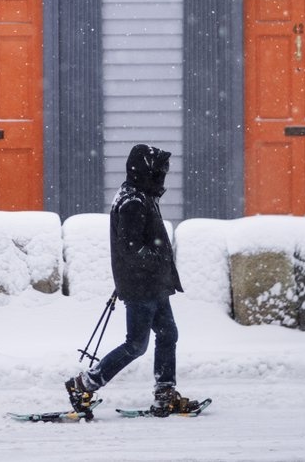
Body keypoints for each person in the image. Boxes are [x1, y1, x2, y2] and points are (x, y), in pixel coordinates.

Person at [65, 144, 197, 417]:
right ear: (145, 171)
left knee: (168, 334)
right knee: (136, 345)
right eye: (158, 171)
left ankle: (165, 393)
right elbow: (131, 248)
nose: (162, 177)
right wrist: (158, 261)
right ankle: (84, 384)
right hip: (141, 285)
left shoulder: (142, 196)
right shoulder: (132, 202)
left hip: (153, 284)